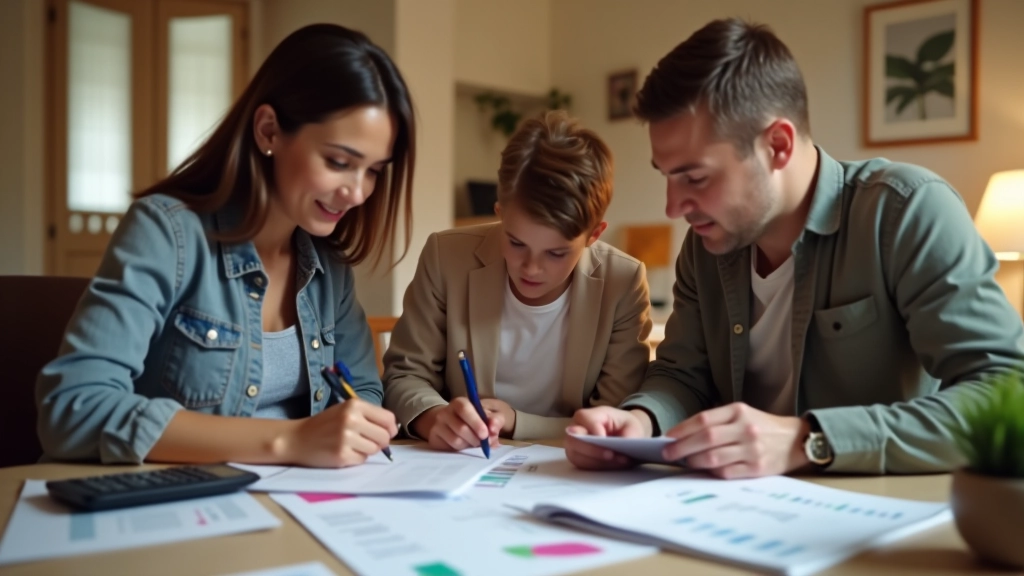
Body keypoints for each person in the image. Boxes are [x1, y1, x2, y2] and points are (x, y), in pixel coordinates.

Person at [565, 18, 1024, 478]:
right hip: (733, 505)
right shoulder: (703, 246)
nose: (673, 207)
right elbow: (682, 375)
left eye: (696, 177)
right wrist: (641, 420)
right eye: (666, 175)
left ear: (777, 145)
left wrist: (809, 440)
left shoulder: (907, 211)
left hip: (878, 507)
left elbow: (1008, 392)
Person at [36, 24, 414, 468]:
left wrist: (357, 426)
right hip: (169, 497)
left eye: (374, 171)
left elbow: (362, 391)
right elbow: (74, 408)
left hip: (289, 499)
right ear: (269, 131)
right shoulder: (167, 233)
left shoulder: (328, 266)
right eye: (339, 161)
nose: (358, 193)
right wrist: (288, 440)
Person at [383, 110, 652, 449]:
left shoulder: (623, 282)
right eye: (516, 243)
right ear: (500, 214)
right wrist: (434, 417)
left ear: (594, 235)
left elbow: (614, 418)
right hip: (462, 461)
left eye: (556, 253)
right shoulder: (446, 256)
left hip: (568, 464)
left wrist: (517, 422)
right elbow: (405, 375)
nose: (532, 268)